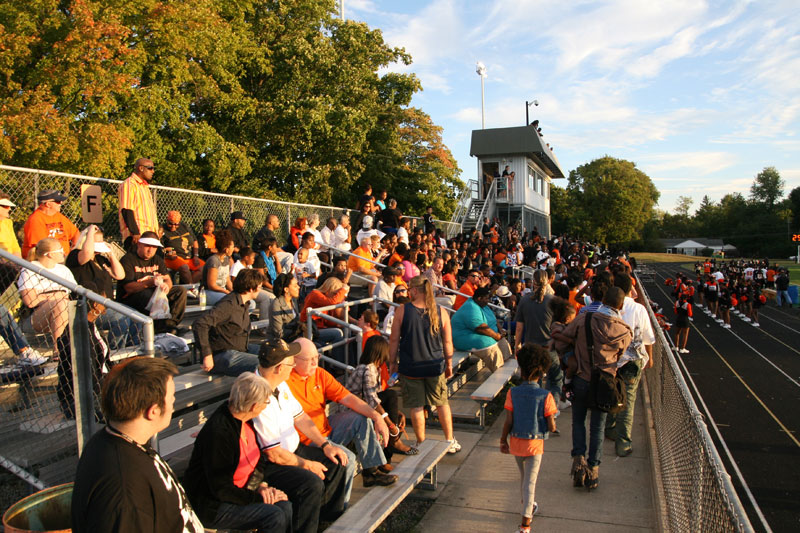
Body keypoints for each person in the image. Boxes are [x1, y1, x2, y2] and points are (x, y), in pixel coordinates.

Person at [71, 357, 204, 533]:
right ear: (153, 411)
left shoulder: (121, 441)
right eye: (172, 398)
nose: (173, 404)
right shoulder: (124, 490)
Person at [254, 340, 350, 533]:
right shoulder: (256, 394)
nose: (294, 366)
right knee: (311, 483)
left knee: (337, 462)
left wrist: (325, 445)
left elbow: (301, 417)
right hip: (270, 464)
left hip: (293, 451)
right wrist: (307, 464)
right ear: (279, 368)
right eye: (291, 362)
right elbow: (273, 454)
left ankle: (325, 521)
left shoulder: (280, 384)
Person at [183, 373, 292, 533]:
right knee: (273, 516)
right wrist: (259, 497)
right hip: (213, 505)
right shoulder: (220, 433)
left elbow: (259, 458)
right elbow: (221, 488)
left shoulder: (245, 419)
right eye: (266, 402)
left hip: (243, 491)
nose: (266, 406)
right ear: (254, 406)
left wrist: (262, 486)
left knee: (285, 506)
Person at [288, 337, 396, 488]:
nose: (314, 363)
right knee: (347, 458)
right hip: (308, 440)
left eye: (316, 357)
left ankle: (371, 472)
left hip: (327, 429)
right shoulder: (285, 381)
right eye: (309, 359)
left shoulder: (319, 374)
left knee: (362, 417)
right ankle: (338, 502)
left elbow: (348, 398)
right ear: (294, 360)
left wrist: (377, 416)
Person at [560, 287, 632, 491]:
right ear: (621, 305)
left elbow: (566, 335)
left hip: (581, 378)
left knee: (578, 422)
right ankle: (593, 470)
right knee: (598, 427)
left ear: (602, 300)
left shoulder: (585, 319)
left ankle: (578, 462)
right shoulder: (624, 330)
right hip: (604, 383)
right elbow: (621, 355)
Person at [388, 275, 461, 453]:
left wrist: (392, 362)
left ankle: (421, 442)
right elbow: (448, 342)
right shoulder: (440, 311)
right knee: (442, 403)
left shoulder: (402, 310)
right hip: (435, 365)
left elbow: (394, 340)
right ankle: (449, 440)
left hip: (411, 366)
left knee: (417, 406)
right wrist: (449, 364)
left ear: (414, 290)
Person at [500, 343, 557, 533]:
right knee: (530, 482)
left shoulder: (512, 393)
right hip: (535, 444)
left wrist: (503, 440)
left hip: (516, 443)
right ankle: (525, 524)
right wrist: (550, 425)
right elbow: (551, 425)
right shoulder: (546, 396)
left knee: (524, 478)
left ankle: (529, 505)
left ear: (521, 369)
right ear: (542, 373)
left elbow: (508, 421)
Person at [605, 273, 655, 457]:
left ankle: (610, 428)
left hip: (611, 360)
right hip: (632, 361)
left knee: (613, 394)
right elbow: (648, 337)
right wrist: (650, 358)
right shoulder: (639, 309)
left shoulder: (606, 307)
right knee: (628, 400)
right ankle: (623, 442)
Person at [346, 335, 414, 461]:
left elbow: (376, 397)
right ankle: (394, 441)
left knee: (391, 399)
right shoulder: (367, 369)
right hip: (353, 410)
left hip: (363, 405)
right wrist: (391, 425)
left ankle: (389, 452)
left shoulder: (374, 368)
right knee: (391, 395)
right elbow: (372, 400)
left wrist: (397, 413)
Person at [66, 225, 135, 349]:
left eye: (101, 241)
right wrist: (90, 232)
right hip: (89, 308)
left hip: (107, 305)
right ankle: (115, 351)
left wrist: (111, 254)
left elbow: (120, 275)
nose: (99, 244)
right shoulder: (75, 256)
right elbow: (87, 253)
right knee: (122, 319)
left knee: (136, 317)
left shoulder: (100, 259)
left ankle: (131, 349)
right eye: (95, 241)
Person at [55, 281, 112, 420]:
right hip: (84, 398)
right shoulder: (79, 332)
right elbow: (90, 375)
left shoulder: (91, 326)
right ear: (95, 304)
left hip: (101, 386)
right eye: (104, 299)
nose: (106, 303)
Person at [193, 269, 265, 376]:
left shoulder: (244, 303)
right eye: (259, 287)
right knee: (266, 364)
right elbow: (200, 323)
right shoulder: (229, 304)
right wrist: (207, 354)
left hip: (240, 349)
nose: (261, 290)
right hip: (222, 355)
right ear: (251, 289)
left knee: (274, 355)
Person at [514, 270, 565, 410]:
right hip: (549, 348)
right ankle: (552, 409)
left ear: (533, 282)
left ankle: (533, 409)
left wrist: (517, 345)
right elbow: (561, 324)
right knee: (555, 379)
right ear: (547, 281)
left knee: (533, 381)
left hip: (531, 348)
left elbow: (519, 327)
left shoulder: (525, 300)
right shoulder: (553, 301)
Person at [117, 231, 187, 334]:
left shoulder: (157, 259)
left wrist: (166, 286)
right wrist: (149, 283)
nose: (150, 250)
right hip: (131, 298)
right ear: (139, 244)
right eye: (147, 246)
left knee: (180, 291)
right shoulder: (128, 260)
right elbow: (129, 288)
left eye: (154, 247)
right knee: (148, 294)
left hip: (154, 294)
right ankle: (156, 328)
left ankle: (169, 325)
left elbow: (167, 279)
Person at [18, 237, 75, 348]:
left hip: (64, 310)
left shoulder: (64, 270)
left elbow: (73, 295)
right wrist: (58, 295)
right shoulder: (30, 269)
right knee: (61, 303)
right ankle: (58, 350)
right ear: (50, 255)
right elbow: (30, 301)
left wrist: (43, 296)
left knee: (64, 304)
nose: (63, 252)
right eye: (60, 250)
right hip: (35, 317)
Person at [451, 286, 510, 372]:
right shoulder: (471, 307)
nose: (488, 301)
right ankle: (499, 373)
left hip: (480, 334)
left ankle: (507, 370)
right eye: (486, 298)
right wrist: (496, 336)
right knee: (490, 344)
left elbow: (494, 319)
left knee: (503, 343)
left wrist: (500, 330)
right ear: (479, 298)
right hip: (463, 338)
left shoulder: (483, 305)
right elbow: (480, 328)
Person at [21, 189, 79, 259]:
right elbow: (43, 247)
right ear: (48, 204)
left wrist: (74, 249)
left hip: (62, 258)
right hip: (44, 259)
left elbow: (75, 233)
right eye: (57, 201)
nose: (61, 203)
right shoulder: (35, 219)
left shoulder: (58, 216)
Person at [118, 158, 159, 249]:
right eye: (150, 168)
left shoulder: (144, 187)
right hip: (138, 236)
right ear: (141, 168)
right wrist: (135, 232)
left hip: (150, 235)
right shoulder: (130, 184)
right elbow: (126, 210)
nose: (153, 171)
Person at [161, 210, 203, 283]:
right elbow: (161, 249)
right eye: (170, 223)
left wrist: (196, 256)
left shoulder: (184, 226)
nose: (173, 226)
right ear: (167, 220)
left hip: (188, 257)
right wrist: (167, 254)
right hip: (173, 258)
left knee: (204, 267)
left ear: (179, 222)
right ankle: (190, 287)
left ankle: (190, 285)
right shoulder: (163, 229)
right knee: (184, 267)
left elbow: (195, 241)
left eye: (176, 224)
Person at [201, 229, 235, 307]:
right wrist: (226, 292)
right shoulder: (214, 261)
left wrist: (235, 292)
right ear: (226, 249)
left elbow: (227, 281)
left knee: (248, 302)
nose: (233, 249)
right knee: (232, 301)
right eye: (232, 247)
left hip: (222, 291)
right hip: (209, 293)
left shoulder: (226, 259)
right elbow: (212, 285)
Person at [267, 273, 303, 343]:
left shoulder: (293, 300)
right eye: (295, 286)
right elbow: (279, 332)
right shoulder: (276, 304)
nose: (298, 287)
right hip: (281, 342)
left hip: (296, 338)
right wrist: (299, 332)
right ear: (286, 289)